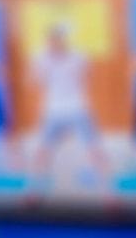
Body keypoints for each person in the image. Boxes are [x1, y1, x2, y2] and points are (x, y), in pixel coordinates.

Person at [30, 23, 108, 187]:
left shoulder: (78, 56)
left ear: (64, 39)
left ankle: (110, 192)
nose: (54, 42)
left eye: (58, 38)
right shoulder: (40, 57)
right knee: (42, 149)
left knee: (94, 148)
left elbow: (87, 75)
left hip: (77, 107)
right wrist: (46, 61)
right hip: (52, 110)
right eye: (51, 39)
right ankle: (34, 188)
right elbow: (36, 81)